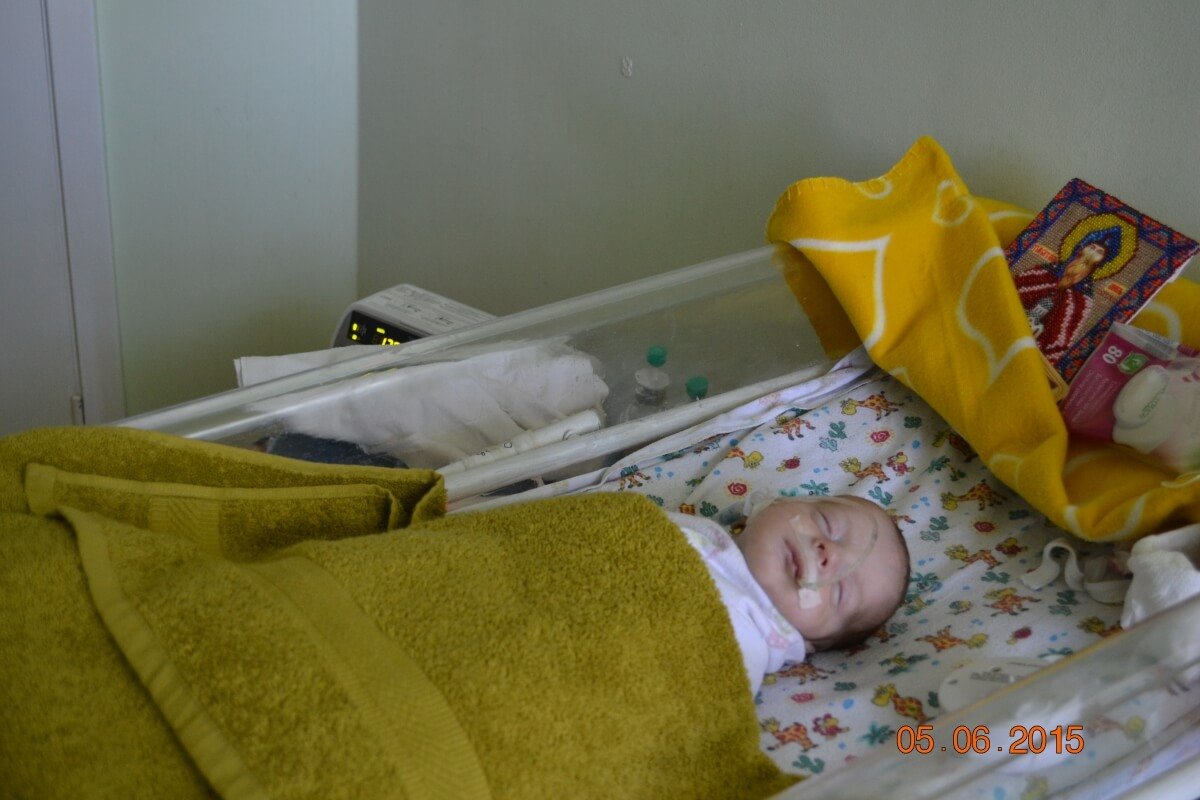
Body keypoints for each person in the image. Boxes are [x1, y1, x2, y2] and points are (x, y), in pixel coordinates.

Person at [667, 494, 910, 694]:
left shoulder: (742, 649)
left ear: (810, 644)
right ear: (774, 503)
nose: (830, 554)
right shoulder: (703, 533)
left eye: (840, 590)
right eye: (827, 524)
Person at [1014, 224, 1127, 365]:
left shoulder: (1084, 295)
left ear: (1102, 260)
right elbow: (1018, 287)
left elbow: (1065, 329)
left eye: (1099, 252)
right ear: (1082, 247)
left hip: (1036, 341)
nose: (1093, 252)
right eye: (1092, 247)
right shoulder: (1047, 270)